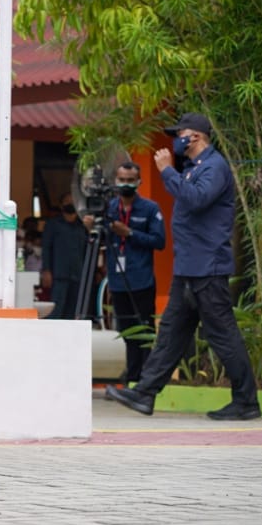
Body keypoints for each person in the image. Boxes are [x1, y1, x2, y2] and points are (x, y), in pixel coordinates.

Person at [107, 114, 262, 420]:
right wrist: (175, 173)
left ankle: (246, 402)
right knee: (171, 333)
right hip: (188, 266)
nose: (175, 140)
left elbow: (196, 199)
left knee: (222, 335)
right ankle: (145, 393)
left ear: (197, 137)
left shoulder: (214, 167)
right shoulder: (193, 168)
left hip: (208, 267)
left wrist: (167, 170)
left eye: (180, 134)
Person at [84, 162, 165, 385]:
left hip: (142, 279)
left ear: (139, 182)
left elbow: (159, 241)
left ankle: (145, 380)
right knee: (126, 332)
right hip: (117, 280)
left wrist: (129, 233)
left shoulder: (150, 208)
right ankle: (131, 376)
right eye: (122, 180)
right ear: (115, 180)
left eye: (130, 180)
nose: (125, 184)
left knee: (144, 331)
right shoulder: (108, 208)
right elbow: (100, 240)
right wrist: (91, 228)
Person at [41, 193, 87, 320]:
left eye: (73, 201)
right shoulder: (53, 224)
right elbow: (46, 248)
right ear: (61, 205)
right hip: (59, 274)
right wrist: (46, 270)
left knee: (73, 311)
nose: (70, 204)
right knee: (56, 310)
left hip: (78, 273)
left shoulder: (82, 225)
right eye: (67, 202)